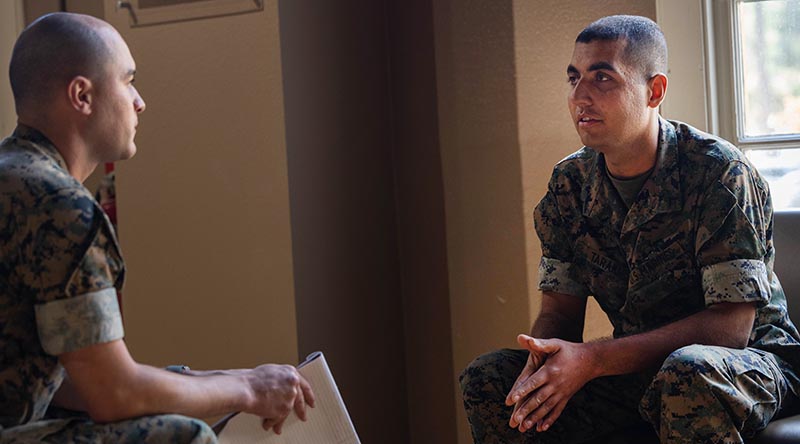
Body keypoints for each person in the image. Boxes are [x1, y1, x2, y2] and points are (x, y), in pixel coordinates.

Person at [461, 14, 800, 444]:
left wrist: (594, 358)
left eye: (602, 78)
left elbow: (730, 329)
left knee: (687, 373)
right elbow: (560, 313)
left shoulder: (719, 172)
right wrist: (542, 364)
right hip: (635, 370)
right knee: (490, 380)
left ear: (654, 91)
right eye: (574, 78)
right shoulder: (569, 184)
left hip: (749, 367)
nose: (580, 96)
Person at [0, 12, 314, 443]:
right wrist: (248, 388)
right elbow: (114, 393)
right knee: (182, 436)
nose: (139, 101)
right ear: (82, 95)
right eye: (127, 81)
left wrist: (214, 382)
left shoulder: (13, 176)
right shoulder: (59, 205)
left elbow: (63, 381)